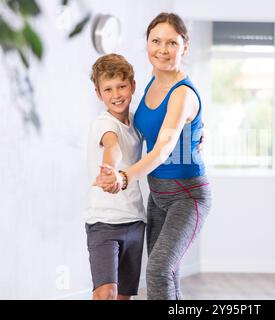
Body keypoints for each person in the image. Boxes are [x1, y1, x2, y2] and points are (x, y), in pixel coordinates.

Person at [94, 12, 212, 300]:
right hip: (158, 195)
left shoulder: (183, 93)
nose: (162, 49)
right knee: (167, 274)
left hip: (188, 195)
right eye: (156, 41)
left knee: (158, 270)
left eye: (171, 42)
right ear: (146, 44)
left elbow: (164, 146)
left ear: (185, 46)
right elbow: (145, 126)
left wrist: (124, 176)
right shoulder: (150, 83)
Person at [85, 54, 146, 300]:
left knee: (124, 296)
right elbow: (113, 146)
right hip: (104, 223)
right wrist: (110, 169)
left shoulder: (136, 121)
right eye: (108, 89)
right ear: (99, 94)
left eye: (121, 86)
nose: (116, 94)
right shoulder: (103, 123)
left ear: (132, 85)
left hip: (134, 221)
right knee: (106, 293)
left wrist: (200, 129)